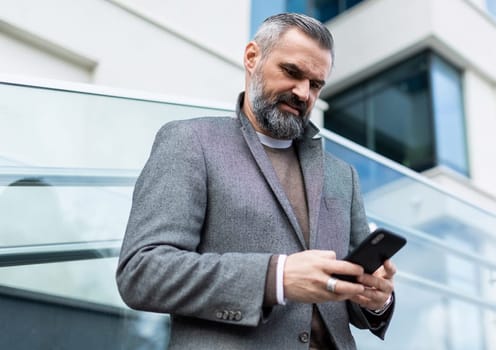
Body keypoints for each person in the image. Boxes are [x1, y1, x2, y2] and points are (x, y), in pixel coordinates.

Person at [116, 13, 396, 350]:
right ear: (252, 58)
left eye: (316, 84)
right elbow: (142, 272)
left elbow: (350, 294)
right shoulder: (189, 141)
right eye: (292, 72)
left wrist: (375, 299)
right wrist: (276, 278)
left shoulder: (343, 175)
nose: (303, 93)